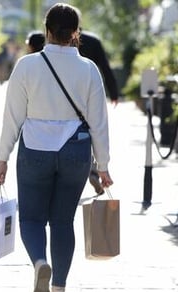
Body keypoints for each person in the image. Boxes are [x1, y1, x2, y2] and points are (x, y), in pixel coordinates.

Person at [0, 3, 113, 292]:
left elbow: (12, 117)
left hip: (34, 149)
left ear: (47, 31)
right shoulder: (88, 69)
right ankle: (59, 291)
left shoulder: (27, 66)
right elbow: (99, 121)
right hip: (76, 150)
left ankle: (39, 262)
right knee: (63, 221)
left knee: (32, 218)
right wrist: (103, 165)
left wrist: (2, 157)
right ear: (76, 33)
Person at [76, 8, 119, 195]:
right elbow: (105, 67)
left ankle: (82, 168)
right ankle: (93, 167)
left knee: (77, 131)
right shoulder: (93, 41)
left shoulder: (62, 42)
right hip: (91, 92)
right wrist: (114, 92)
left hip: (70, 94)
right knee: (93, 129)